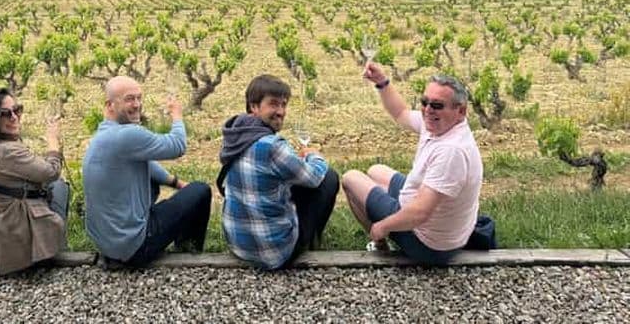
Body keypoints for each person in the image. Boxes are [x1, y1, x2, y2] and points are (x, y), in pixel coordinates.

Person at [342, 64, 483, 265]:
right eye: (424, 102)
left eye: (436, 105)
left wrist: (382, 226)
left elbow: (420, 213)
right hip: (443, 227)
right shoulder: (440, 124)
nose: (427, 109)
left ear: (460, 110)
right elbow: (400, 113)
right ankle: (386, 223)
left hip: (429, 245)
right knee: (375, 171)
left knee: (350, 178)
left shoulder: (451, 151)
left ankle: (380, 245)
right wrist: (382, 83)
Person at [83, 75, 212, 268]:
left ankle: (126, 247)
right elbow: (178, 146)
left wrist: (176, 183)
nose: (137, 104)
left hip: (107, 243)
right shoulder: (127, 134)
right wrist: (177, 116)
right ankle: (187, 249)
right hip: (134, 248)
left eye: (139, 98)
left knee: (154, 183)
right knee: (201, 190)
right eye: (129, 99)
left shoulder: (103, 133)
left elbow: (147, 164)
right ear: (109, 105)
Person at [219, 74, 339, 270]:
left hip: (238, 244)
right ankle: (312, 241)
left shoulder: (234, 135)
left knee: (290, 182)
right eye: (273, 104)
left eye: (284, 105)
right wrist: (314, 155)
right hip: (274, 253)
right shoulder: (272, 146)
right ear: (253, 106)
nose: (281, 111)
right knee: (329, 178)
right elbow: (314, 178)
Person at [0, 88, 69, 276]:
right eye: (5, 114)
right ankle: (55, 248)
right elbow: (51, 171)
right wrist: (53, 142)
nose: (14, 117)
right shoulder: (6, 152)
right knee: (60, 186)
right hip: (16, 249)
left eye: (17, 110)